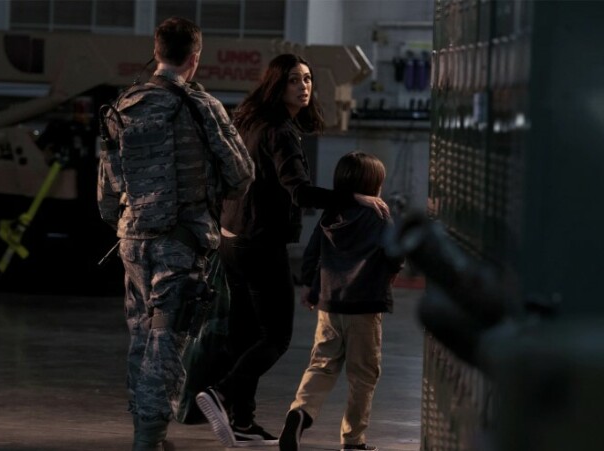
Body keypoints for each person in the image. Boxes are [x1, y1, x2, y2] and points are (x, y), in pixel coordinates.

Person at [195, 54, 389, 448]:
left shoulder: (248, 120)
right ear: (276, 84)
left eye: (308, 79)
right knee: (276, 337)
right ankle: (222, 392)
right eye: (294, 80)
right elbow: (299, 192)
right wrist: (355, 197)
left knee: (248, 333)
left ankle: (243, 421)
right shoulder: (280, 131)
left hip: (231, 238)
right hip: (259, 243)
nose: (304, 87)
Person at [97, 17, 254, 451]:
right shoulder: (202, 106)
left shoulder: (124, 104)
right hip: (181, 245)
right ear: (194, 58)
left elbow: (107, 189)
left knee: (142, 338)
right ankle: (149, 440)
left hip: (133, 241)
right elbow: (241, 174)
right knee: (166, 342)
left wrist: (129, 221)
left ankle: (146, 432)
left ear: (157, 51)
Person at [278, 151, 404, 451]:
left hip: (330, 305)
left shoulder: (331, 214)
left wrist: (311, 288)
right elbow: (395, 254)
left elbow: (313, 253)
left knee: (322, 364)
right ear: (374, 185)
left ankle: (299, 412)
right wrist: (391, 272)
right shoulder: (379, 215)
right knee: (363, 375)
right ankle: (353, 439)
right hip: (365, 306)